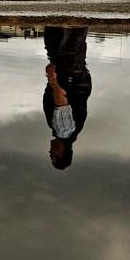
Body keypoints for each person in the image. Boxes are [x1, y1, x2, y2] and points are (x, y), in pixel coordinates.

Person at [42, 26, 92, 170]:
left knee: (58, 32)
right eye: (53, 154)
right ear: (62, 152)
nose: (50, 151)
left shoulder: (71, 133)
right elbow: (61, 101)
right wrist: (52, 80)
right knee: (73, 30)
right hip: (68, 73)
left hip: (72, 72)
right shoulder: (63, 131)